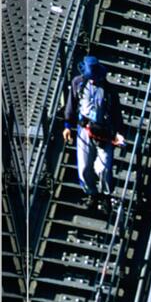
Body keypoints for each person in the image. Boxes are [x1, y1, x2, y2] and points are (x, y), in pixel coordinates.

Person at [63, 55, 125, 210]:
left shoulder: (110, 91)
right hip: (84, 130)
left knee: (104, 167)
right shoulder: (78, 83)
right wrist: (67, 125)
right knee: (84, 166)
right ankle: (91, 193)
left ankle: (106, 195)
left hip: (104, 132)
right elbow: (71, 104)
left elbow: (117, 115)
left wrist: (118, 134)